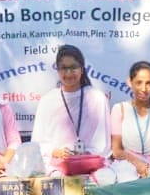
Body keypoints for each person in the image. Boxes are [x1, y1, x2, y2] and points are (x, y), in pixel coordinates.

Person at [31, 46, 112, 174]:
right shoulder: (48, 100)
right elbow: (38, 143)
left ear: (82, 69)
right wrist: (56, 151)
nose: (68, 73)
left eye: (73, 67)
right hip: (56, 165)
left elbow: (103, 145)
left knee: (106, 178)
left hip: (91, 164)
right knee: (56, 180)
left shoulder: (97, 98)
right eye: (63, 68)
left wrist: (84, 154)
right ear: (57, 69)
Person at [94, 62, 150, 184]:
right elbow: (117, 151)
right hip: (128, 163)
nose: (143, 89)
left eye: (148, 83)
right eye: (138, 83)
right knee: (127, 179)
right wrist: (139, 165)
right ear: (130, 82)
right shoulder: (119, 109)